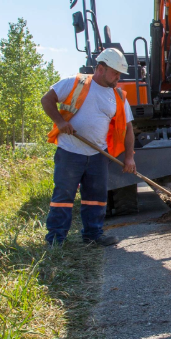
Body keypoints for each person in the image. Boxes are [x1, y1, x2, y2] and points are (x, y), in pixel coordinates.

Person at [41, 48, 137, 247]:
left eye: (120, 74)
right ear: (101, 68)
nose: (118, 78)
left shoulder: (118, 96)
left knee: (96, 198)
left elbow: (128, 129)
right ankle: (56, 240)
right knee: (63, 196)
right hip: (70, 152)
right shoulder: (74, 83)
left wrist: (129, 157)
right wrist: (60, 122)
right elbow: (46, 100)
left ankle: (93, 236)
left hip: (98, 155)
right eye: (115, 73)